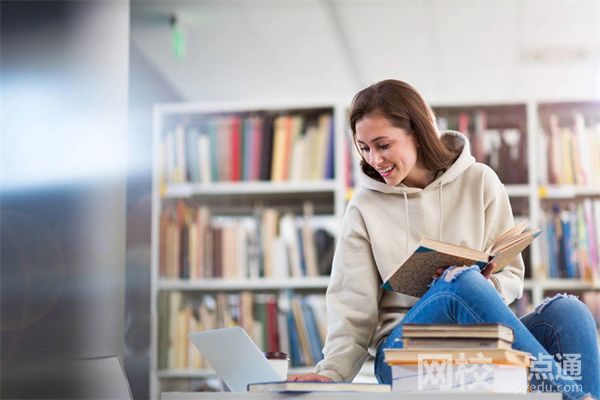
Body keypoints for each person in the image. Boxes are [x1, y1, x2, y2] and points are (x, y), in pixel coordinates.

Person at [289, 79, 599, 400]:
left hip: (478, 346)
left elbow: (512, 277)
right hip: (402, 354)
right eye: (364, 148)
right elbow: (351, 305)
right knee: (459, 282)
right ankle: (572, 398)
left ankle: (578, 394)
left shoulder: (479, 181)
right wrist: (331, 372)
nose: (374, 160)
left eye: (383, 145)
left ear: (418, 135)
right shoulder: (364, 206)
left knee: (569, 312)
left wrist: (479, 288)